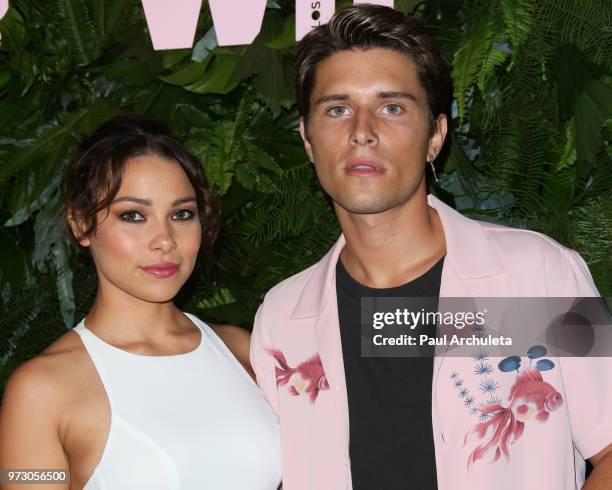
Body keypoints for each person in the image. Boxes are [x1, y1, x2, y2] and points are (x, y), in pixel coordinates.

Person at [250, 4, 612, 490]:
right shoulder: (283, 315)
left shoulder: (539, 276)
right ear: (309, 140)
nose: (362, 131)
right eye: (337, 109)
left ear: (435, 135)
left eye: (392, 107)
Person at [0, 116, 282, 489]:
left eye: (182, 214)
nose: (164, 240)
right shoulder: (41, 390)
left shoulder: (242, 349)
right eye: (133, 215)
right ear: (82, 223)